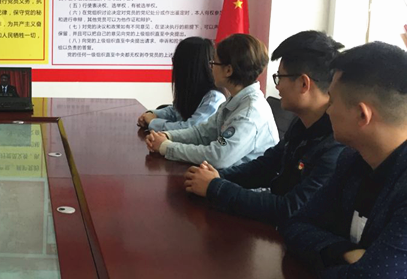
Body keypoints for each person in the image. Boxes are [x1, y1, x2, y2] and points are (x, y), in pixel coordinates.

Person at [279, 42, 407, 279]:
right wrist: (347, 253)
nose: (327, 109)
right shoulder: (353, 160)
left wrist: (362, 272)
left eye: (332, 101)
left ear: (362, 114)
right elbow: (294, 225)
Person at [183, 31, 345, 225]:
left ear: (304, 83)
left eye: (279, 77)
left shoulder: (336, 143)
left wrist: (215, 187)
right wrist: (216, 177)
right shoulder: (303, 124)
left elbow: (289, 209)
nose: (277, 87)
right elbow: (265, 167)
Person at [146, 33, 278, 169]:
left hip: (245, 181)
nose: (210, 67)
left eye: (213, 63)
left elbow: (218, 157)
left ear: (228, 70)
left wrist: (166, 147)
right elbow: (201, 133)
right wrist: (167, 136)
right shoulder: (234, 100)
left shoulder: (249, 113)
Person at [138, 36, 225, 132]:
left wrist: (153, 122)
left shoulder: (214, 98)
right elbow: (175, 112)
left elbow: (190, 129)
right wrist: (152, 114)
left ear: (188, 67)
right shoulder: (194, 89)